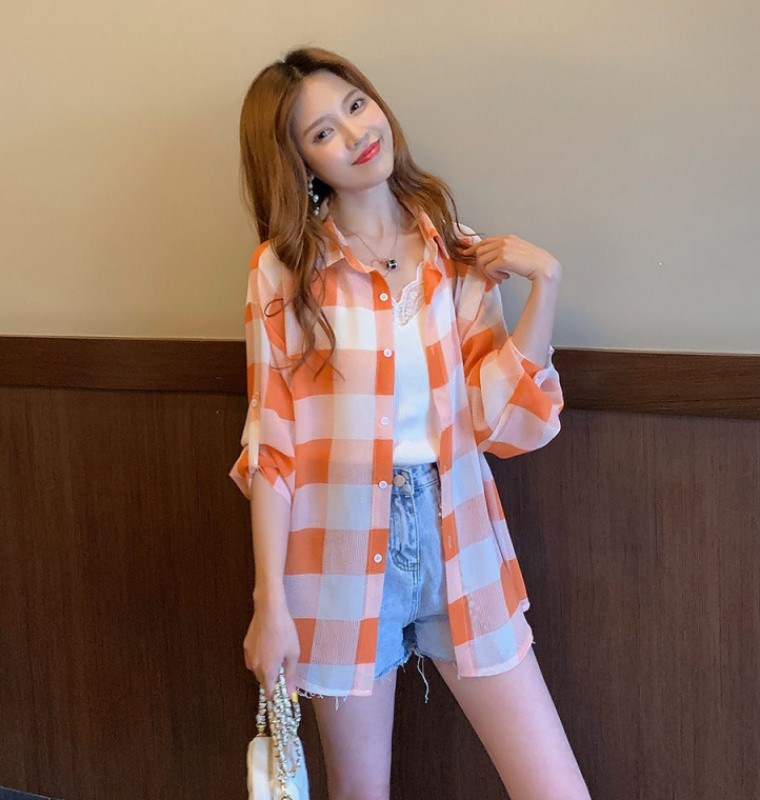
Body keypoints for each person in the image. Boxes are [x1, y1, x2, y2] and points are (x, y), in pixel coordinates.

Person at [230, 45, 591, 800]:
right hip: (331, 550)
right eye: (322, 132)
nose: (355, 133)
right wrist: (270, 605)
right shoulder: (282, 270)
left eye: (356, 105)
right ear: (300, 162)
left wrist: (546, 287)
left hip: (458, 531)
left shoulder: (454, 251)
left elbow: (502, 425)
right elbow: (272, 445)